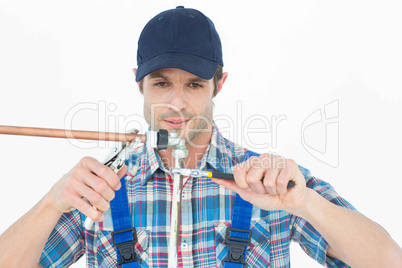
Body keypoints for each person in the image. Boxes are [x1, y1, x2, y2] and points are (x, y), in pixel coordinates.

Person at [0, 6, 401, 268]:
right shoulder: (102, 190)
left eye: (193, 85)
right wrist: (51, 204)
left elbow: (387, 260)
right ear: (139, 84)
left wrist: (305, 202)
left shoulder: (271, 184)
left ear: (218, 84)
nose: (176, 104)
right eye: (161, 84)